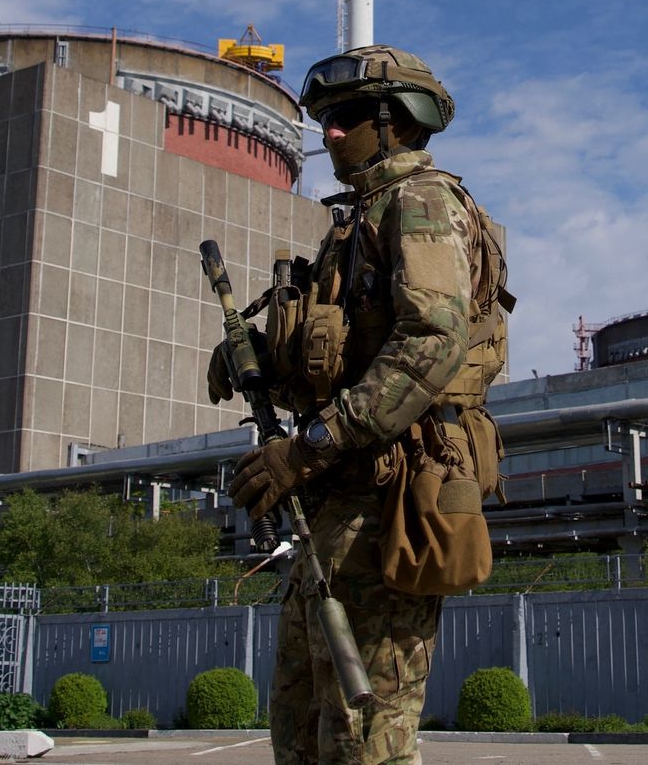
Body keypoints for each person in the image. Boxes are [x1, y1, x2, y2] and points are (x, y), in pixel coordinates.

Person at [208, 45, 510, 765]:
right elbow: (346, 359)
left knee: (362, 734)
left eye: (347, 118)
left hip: (393, 503)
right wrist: (261, 357)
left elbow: (430, 345)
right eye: (327, 120)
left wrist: (306, 446)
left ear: (397, 122)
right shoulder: (359, 221)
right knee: (303, 722)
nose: (331, 134)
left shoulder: (422, 204)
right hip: (339, 506)